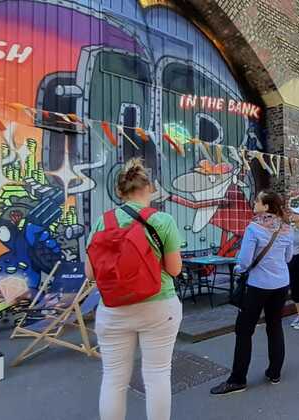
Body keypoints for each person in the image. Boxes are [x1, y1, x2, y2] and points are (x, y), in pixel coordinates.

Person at [87, 158, 183, 420]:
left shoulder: (101, 222)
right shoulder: (162, 220)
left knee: (114, 380)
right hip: (159, 305)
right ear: (150, 188)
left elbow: (90, 273)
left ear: (120, 191)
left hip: (114, 308)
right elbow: (174, 270)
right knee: (157, 375)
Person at [211, 190, 293, 395]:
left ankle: (238, 379)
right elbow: (289, 257)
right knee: (274, 326)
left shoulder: (254, 228)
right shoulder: (286, 228)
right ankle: (274, 372)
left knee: (244, 330)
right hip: (281, 284)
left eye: (257, 200)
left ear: (266, 206)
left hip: (258, 286)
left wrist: (239, 270)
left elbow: (244, 261)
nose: (253, 202)